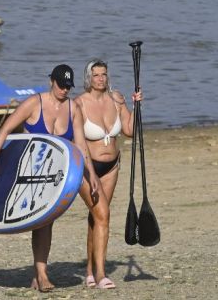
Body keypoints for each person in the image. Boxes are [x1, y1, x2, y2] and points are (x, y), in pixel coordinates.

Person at [0, 64, 103, 292]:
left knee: (47, 221)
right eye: (61, 85)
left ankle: (37, 276)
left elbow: (81, 144)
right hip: (31, 172)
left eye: (68, 86)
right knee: (44, 222)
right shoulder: (33, 103)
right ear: (52, 81)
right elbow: (6, 129)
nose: (64, 90)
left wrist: (91, 173)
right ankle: (42, 273)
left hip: (56, 174)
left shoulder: (72, 108)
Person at [74, 59, 142, 289]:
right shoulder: (79, 104)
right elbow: (78, 142)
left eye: (103, 74)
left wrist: (137, 106)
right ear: (88, 78)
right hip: (87, 167)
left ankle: (90, 271)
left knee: (98, 217)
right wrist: (90, 173)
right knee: (103, 214)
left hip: (112, 166)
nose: (101, 79)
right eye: (96, 75)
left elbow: (130, 131)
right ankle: (101, 274)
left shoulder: (117, 99)